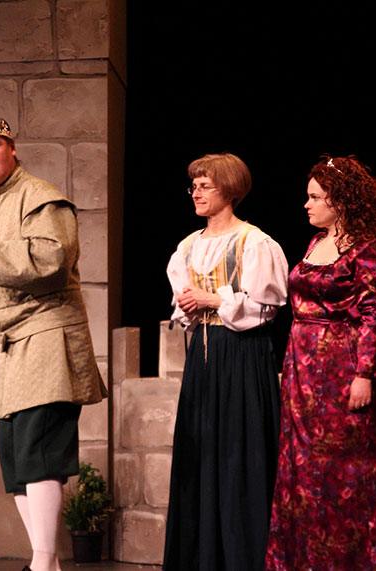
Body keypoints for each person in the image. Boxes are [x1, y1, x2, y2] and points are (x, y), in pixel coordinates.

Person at [0, 113, 107, 571]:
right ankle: (46, 563)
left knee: (40, 452)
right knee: (16, 459)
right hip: (16, 346)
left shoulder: (40, 196)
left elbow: (53, 258)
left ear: (11, 149)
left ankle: (42, 562)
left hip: (49, 335)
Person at [265, 156, 376, 570]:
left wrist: (364, 374)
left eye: (315, 197)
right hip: (302, 368)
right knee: (302, 468)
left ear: (340, 200)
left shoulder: (369, 248)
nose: (306, 204)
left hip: (342, 368)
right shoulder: (315, 243)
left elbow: (373, 314)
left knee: (345, 471)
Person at [163, 153, 288, 570]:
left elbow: (265, 307)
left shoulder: (254, 242)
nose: (196, 193)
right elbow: (183, 305)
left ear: (229, 190)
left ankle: (243, 557)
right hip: (203, 357)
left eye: (205, 186)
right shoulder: (187, 247)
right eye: (194, 186)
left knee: (239, 452)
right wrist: (189, 304)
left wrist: (213, 299)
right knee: (201, 451)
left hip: (242, 355)